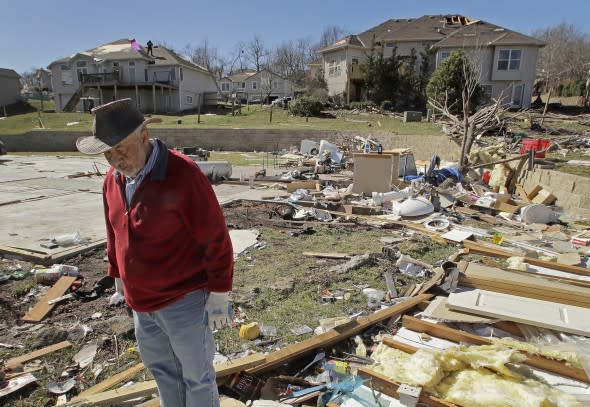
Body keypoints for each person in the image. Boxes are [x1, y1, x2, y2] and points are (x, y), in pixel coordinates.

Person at [75, 98, 234, 407]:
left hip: (183, 300)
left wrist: (219, 291)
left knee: (197, 378)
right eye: (108, 153)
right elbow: (114, 229)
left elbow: (215, 237)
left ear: (144, 137)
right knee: (163, 372)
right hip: (142, 304)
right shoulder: (112, 180)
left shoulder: (182, 174)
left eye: (121, 149)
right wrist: (118, 273)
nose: (116, 159)